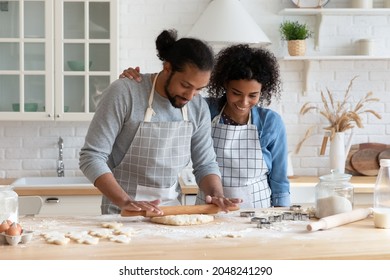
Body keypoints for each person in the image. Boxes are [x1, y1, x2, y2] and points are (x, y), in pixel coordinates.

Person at [79, 29, 242, 215]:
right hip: (122, 212)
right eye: (185, 85)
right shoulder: (125, 93)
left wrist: (217, 194)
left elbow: (205, 164)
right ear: (167, 68)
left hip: (171, 213)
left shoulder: (197, 107)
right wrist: (125, 202)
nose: (190, 96)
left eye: (198, 89)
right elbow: (91, 157)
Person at [121, 44, 290, 208]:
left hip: (257, 212)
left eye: (253, 95)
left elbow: (279, 180)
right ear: (225, 85)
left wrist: (281, 218)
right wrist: (139, 84)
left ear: (263, 91)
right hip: (209, 206)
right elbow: (166, 102)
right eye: (236, 93)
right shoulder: (203, 109)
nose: (244, 102)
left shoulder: (270, 122)